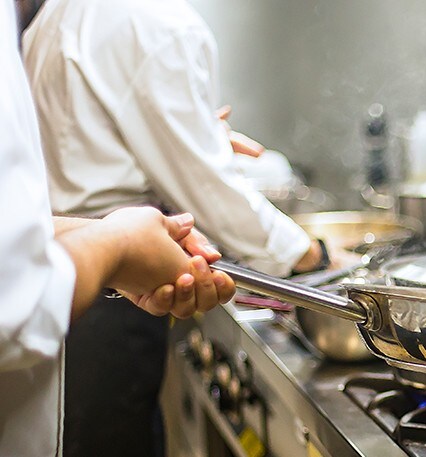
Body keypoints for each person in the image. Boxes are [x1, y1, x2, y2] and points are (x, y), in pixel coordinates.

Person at [20, 0, 339, 455]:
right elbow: (207, 188)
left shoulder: (65, 13)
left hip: (69, 261)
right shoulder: (153, 19)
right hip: (103, 280)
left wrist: (189, 138)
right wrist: (313, 256)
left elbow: (85, 136)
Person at [0, 2, 235, 455]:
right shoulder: (149, 19)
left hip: (78, 274)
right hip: (78, 291)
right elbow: (14, 301)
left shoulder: (53, 20)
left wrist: (105, 234)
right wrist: (118, 243)